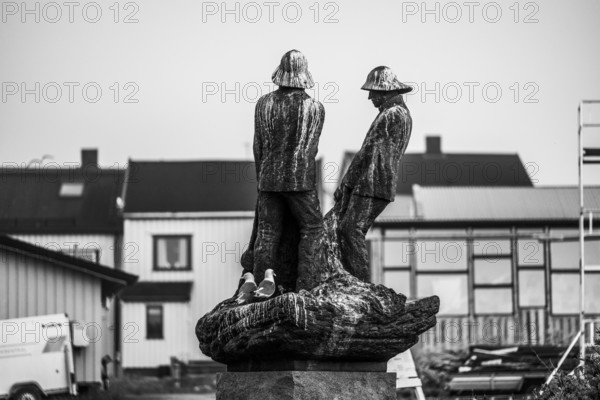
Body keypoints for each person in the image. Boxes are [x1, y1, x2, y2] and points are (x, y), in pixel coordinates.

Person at [243, 50, 326, 294]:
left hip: (268, 178)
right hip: (300, 181)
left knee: (267, 233)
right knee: (312, 229)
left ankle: (260, 283)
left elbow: (257, 146)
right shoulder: (315, 108)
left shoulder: (263, 104)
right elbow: (312, 148)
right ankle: (307, 285)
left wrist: (261, 180)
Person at [334, 66, 413, 282]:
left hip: (372, 184)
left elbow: (367, 152)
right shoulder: (400, 114)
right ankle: (355, 279)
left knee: (351, 230)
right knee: (349, 229)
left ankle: (359, 283)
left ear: (384, 91)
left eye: (374, 92)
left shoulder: (391, 115)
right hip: (377, 183)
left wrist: (346, 183)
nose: (370, 97)